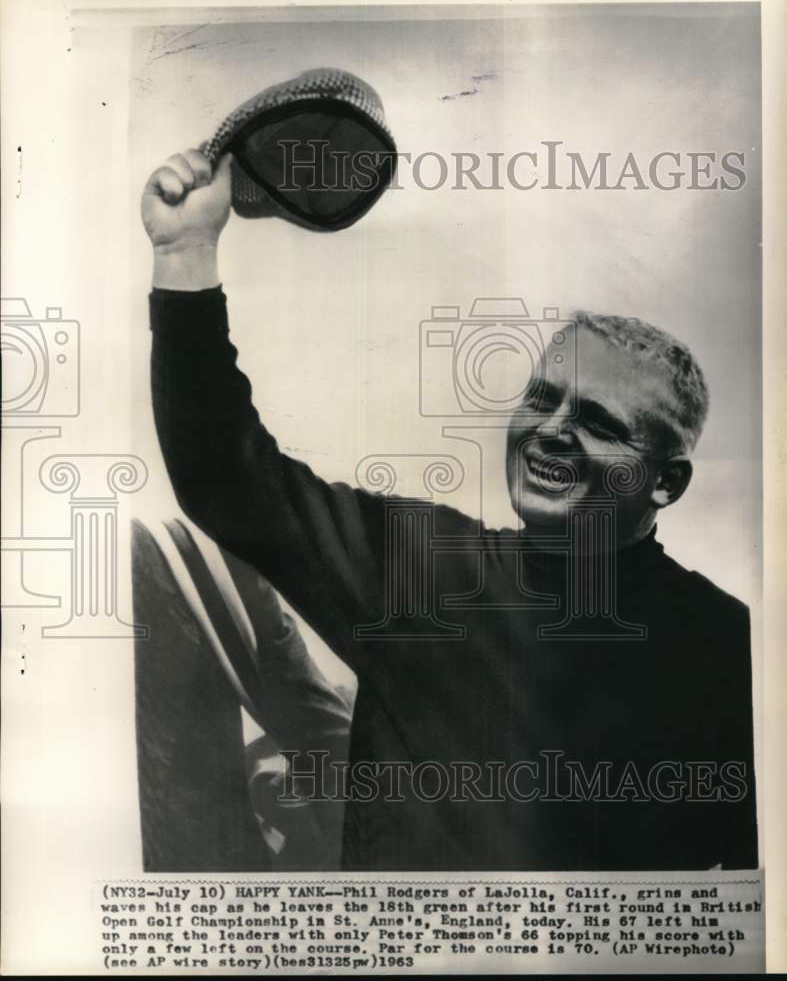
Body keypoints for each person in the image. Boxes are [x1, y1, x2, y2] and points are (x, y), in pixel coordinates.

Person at [142, 148, 758, 870]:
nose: (550, 428)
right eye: (539, 397)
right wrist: (186, 252)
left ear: (665, 482)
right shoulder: (419, 566)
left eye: (596, 420)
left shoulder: (724, 644)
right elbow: (226, 476)